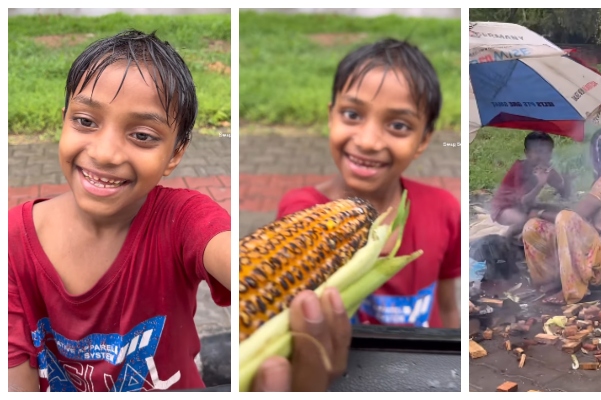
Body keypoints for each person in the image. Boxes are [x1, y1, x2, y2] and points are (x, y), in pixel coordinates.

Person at [7, 29, 232, 392]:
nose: (105, 153)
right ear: (63, 120)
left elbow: (235, 257)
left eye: (142, 135)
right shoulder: (13, 242)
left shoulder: (182, 220)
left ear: (175, 153)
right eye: (85, 121)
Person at [276, 38, 461, 330]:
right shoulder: (299, 213)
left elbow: (449, 306)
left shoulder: (444, 211)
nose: (367, 142)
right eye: (352, 115)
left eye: (398, 125)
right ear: (330, 116)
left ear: (423, 140)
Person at [521, 127, 601, 305]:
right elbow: (578, 212)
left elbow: (575, 216)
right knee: (533, 227)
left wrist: (541, 212)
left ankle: (571, 290)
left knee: (566, 220)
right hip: (597, 256)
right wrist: (542, 209)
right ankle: (550, 279)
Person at [490, 131, 572, 238]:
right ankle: (505, 239)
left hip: (528, 207)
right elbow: (523, 201)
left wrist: (567, 181)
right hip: (505, 208)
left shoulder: (547, 170)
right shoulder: (520, 168)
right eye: (538, 152)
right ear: (527, 153)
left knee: (561, 210)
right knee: (525, 221)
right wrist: (540, 185)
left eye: (547, 152)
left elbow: (564, 194)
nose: (542, 156)